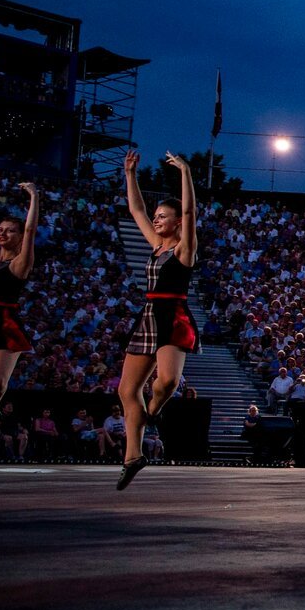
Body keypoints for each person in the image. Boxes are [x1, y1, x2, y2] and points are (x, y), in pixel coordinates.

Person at [117, 151, 199, 489]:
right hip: (148, 314)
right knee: (126, 389)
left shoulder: (184, 249)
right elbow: (136, 209)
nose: (156, 220)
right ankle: (133, 455)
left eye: (163, 216)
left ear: (178, 221)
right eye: (157, 216)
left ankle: (154, 409)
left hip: (174, 315)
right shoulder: (155, 245)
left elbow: (191, 211)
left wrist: (186, 173)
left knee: (165, 382)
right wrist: (130, 175)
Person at [0, 181, 40, 412]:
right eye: (0, 230)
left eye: (10, 230)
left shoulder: (20, 263)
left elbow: (30, 230)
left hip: (3, 322)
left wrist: (34, 196)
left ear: (19, 236)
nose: (3, 233)